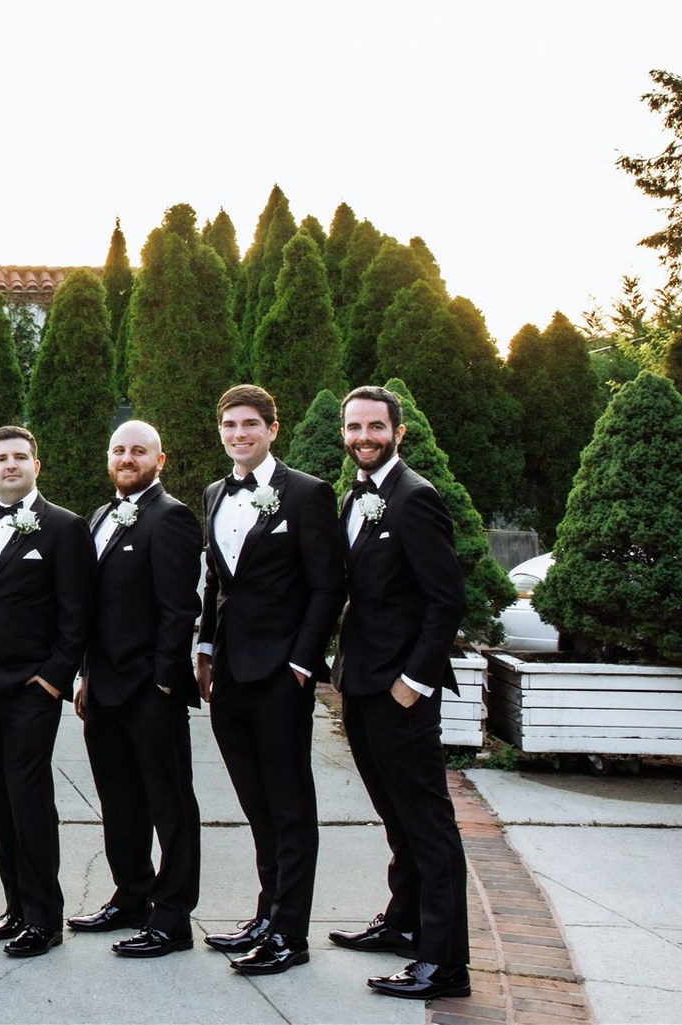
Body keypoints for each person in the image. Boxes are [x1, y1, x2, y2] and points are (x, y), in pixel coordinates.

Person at [195, 384, 344, 976]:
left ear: (272, 429)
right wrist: (205, 649)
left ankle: (290, 934)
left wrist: (302, 664)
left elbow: (327, 586)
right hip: (229, 673)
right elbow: (217, 581)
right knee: (256, 803)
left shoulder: (307, 493)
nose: (240, 434)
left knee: (289, 805)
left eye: (250, 424)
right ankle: (266, 914)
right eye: (230, 425)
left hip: (282, 675)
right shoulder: (214, 493)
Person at [331, 385, 471, 1002]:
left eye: (375, 427)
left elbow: (447, 601)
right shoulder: (357, 496)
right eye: (354, 427)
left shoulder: (416, 498)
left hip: (400, 691)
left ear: (398, 432)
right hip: (361, 684)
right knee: (397, 818)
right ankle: (404, 922)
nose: (364, 437)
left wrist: (413, 683)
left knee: (429, 826)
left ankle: (444, 964)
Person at [0, 425, 92, 959]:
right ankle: (15, 904)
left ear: (36, 465)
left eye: (19, 457)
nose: (9, 465)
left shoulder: (64, 526)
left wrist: (54, 677)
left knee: (29, 798)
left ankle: (43, 917)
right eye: (0, 458)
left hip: (31, 689)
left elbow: (77, 612)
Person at [70, 419, 204, 959]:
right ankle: (131, 895)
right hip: (102, 690)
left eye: (139, 451)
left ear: (159, 460)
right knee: (119, 801)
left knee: (170, 806)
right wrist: (85, 675)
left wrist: (164, 682)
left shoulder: (171, 517)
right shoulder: (99, 517)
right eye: (119, 450)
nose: (127, 458)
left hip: (151, 691)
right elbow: (90, 608)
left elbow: (180, 608)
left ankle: (172, 918)